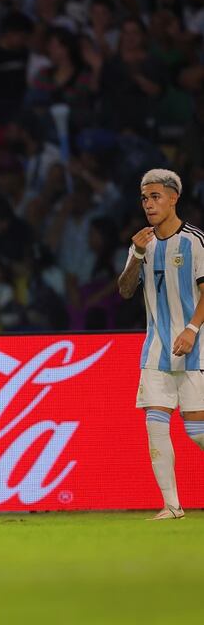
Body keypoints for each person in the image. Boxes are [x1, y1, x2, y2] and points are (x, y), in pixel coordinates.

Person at [117, 169, 204, 521]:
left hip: (195, 348)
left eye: (155, 197)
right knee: (156, 423)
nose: (149, 204)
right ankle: (171, 505)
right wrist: (136, 254)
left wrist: (192, 328)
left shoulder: (195, 241)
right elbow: (124, 290)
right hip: (155, 350)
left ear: (173, 198)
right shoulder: (142, 243)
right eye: (144, 198)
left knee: (197, 431)